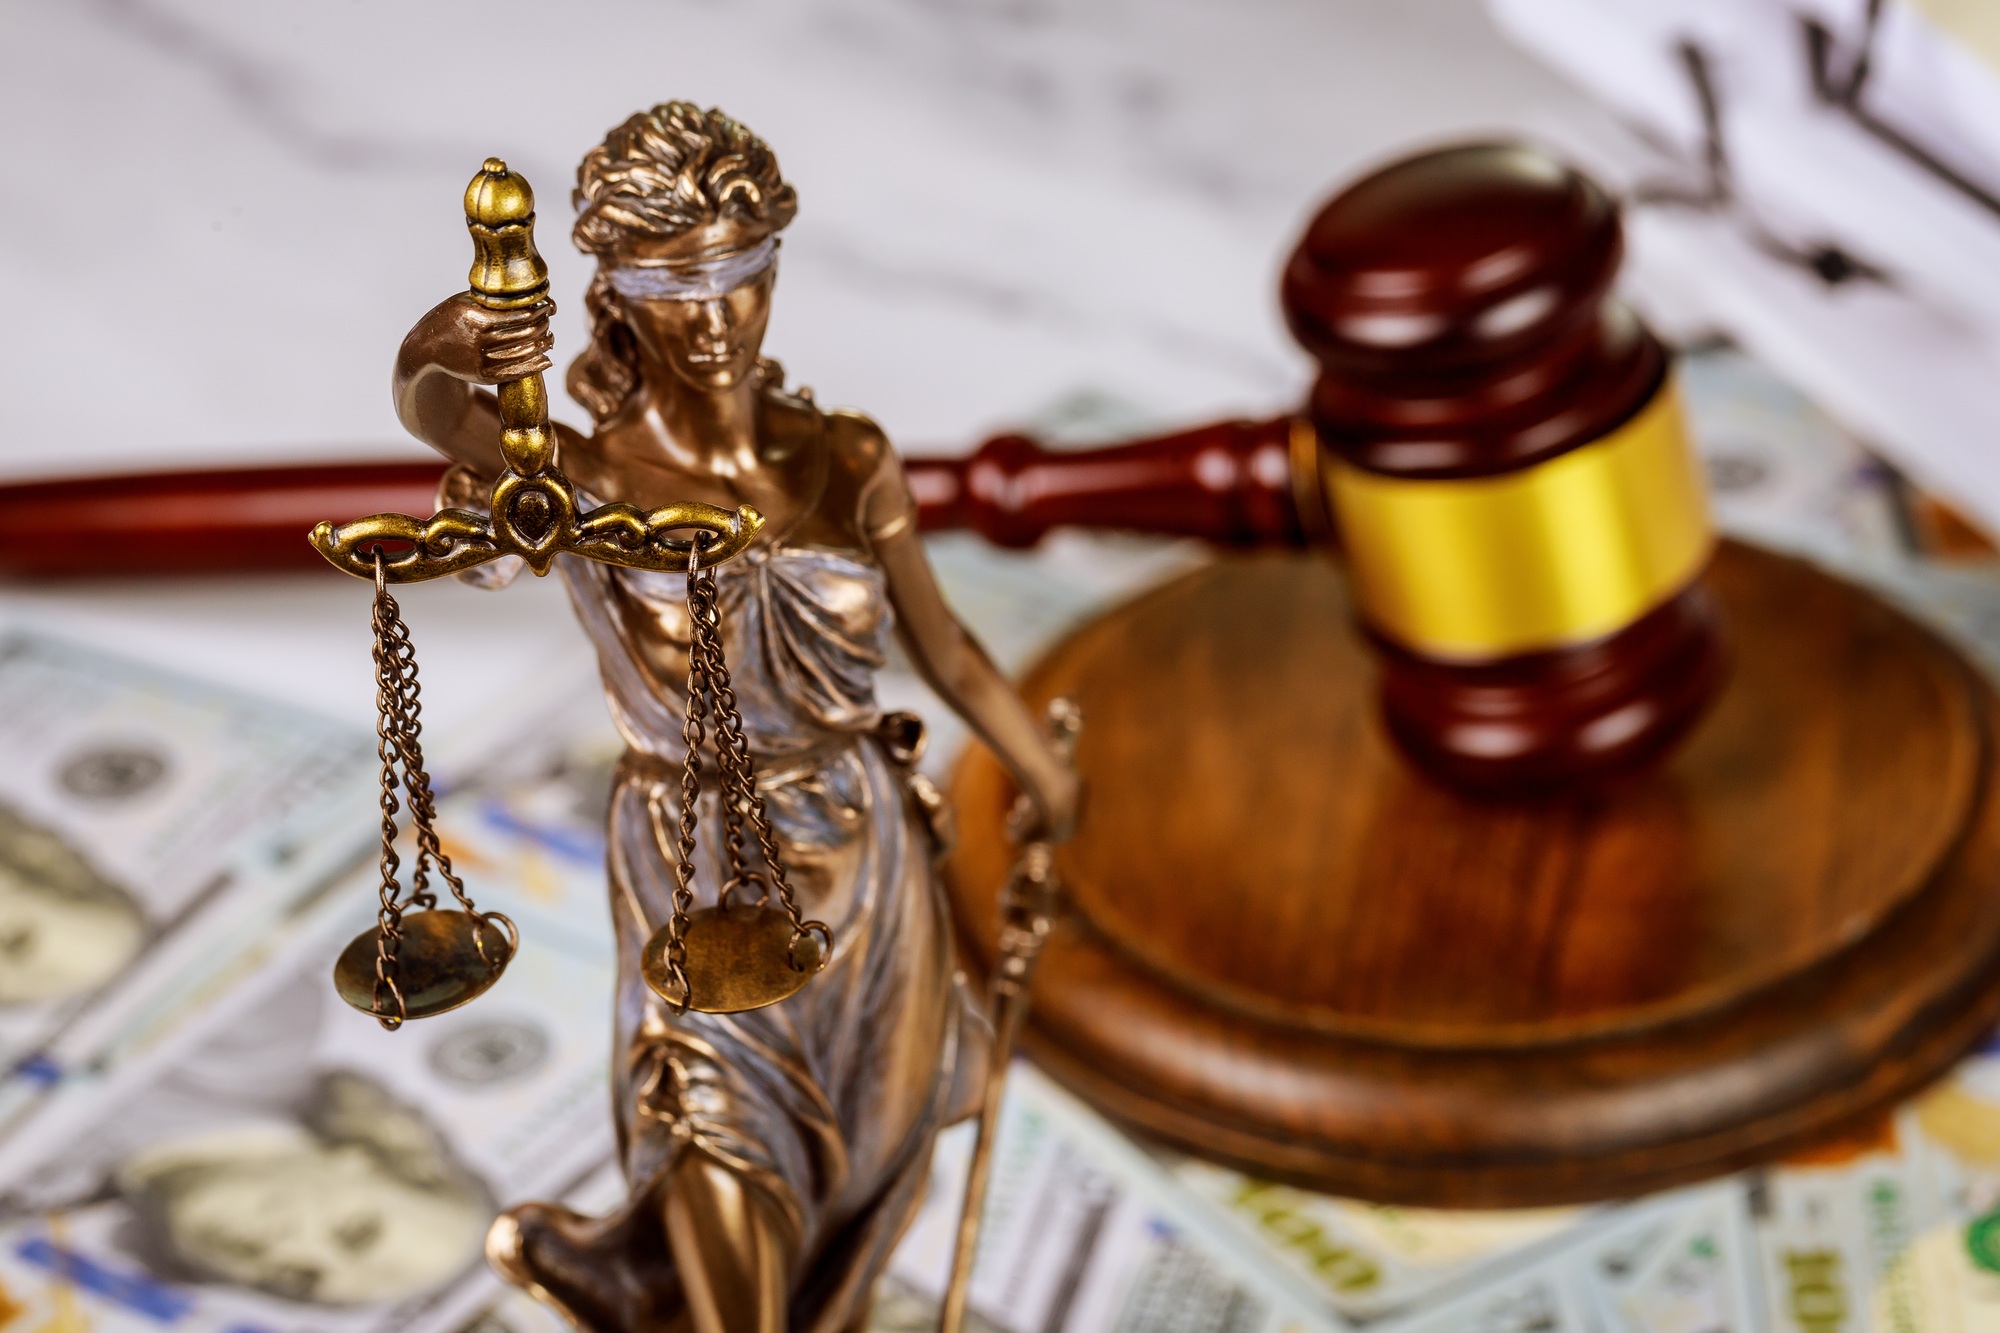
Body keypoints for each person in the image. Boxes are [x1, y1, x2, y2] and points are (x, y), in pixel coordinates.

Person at [390, 101, 1079, 1333]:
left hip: (864, 842)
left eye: (740, 279)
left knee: (875, 1135)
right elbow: (441, 413)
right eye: (674, 287)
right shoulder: (585, 480)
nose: (712, 320)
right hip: (694, 852)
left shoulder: (847, 454)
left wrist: (1045, 776)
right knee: (714, 1112)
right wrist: (458, 337)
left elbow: (949, 649)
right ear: (616, 295)